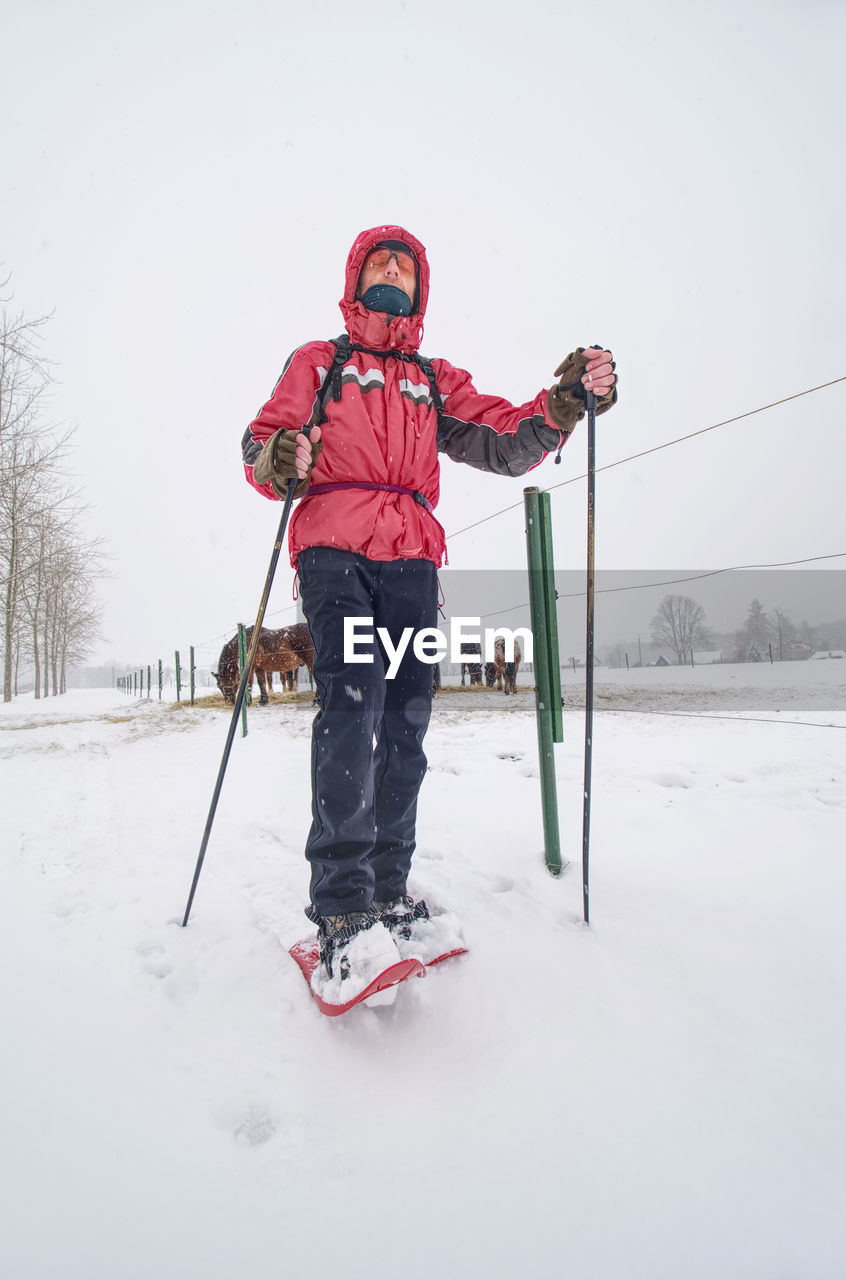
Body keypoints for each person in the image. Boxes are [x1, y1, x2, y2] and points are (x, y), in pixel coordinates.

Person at [242, 224, 616, 989]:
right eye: (379, 260)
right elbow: (265, 441)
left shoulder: (430, 377)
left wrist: (563, 403)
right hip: (334, 549)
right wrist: (279, 459)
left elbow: (503, 437)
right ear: (355, 276)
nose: (391, 270)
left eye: (404, 265)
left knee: (406, 715)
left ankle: (387, 884)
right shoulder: (321, 362)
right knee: (352, 706)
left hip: (413, 559)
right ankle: (342, 906)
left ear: (420, 288)